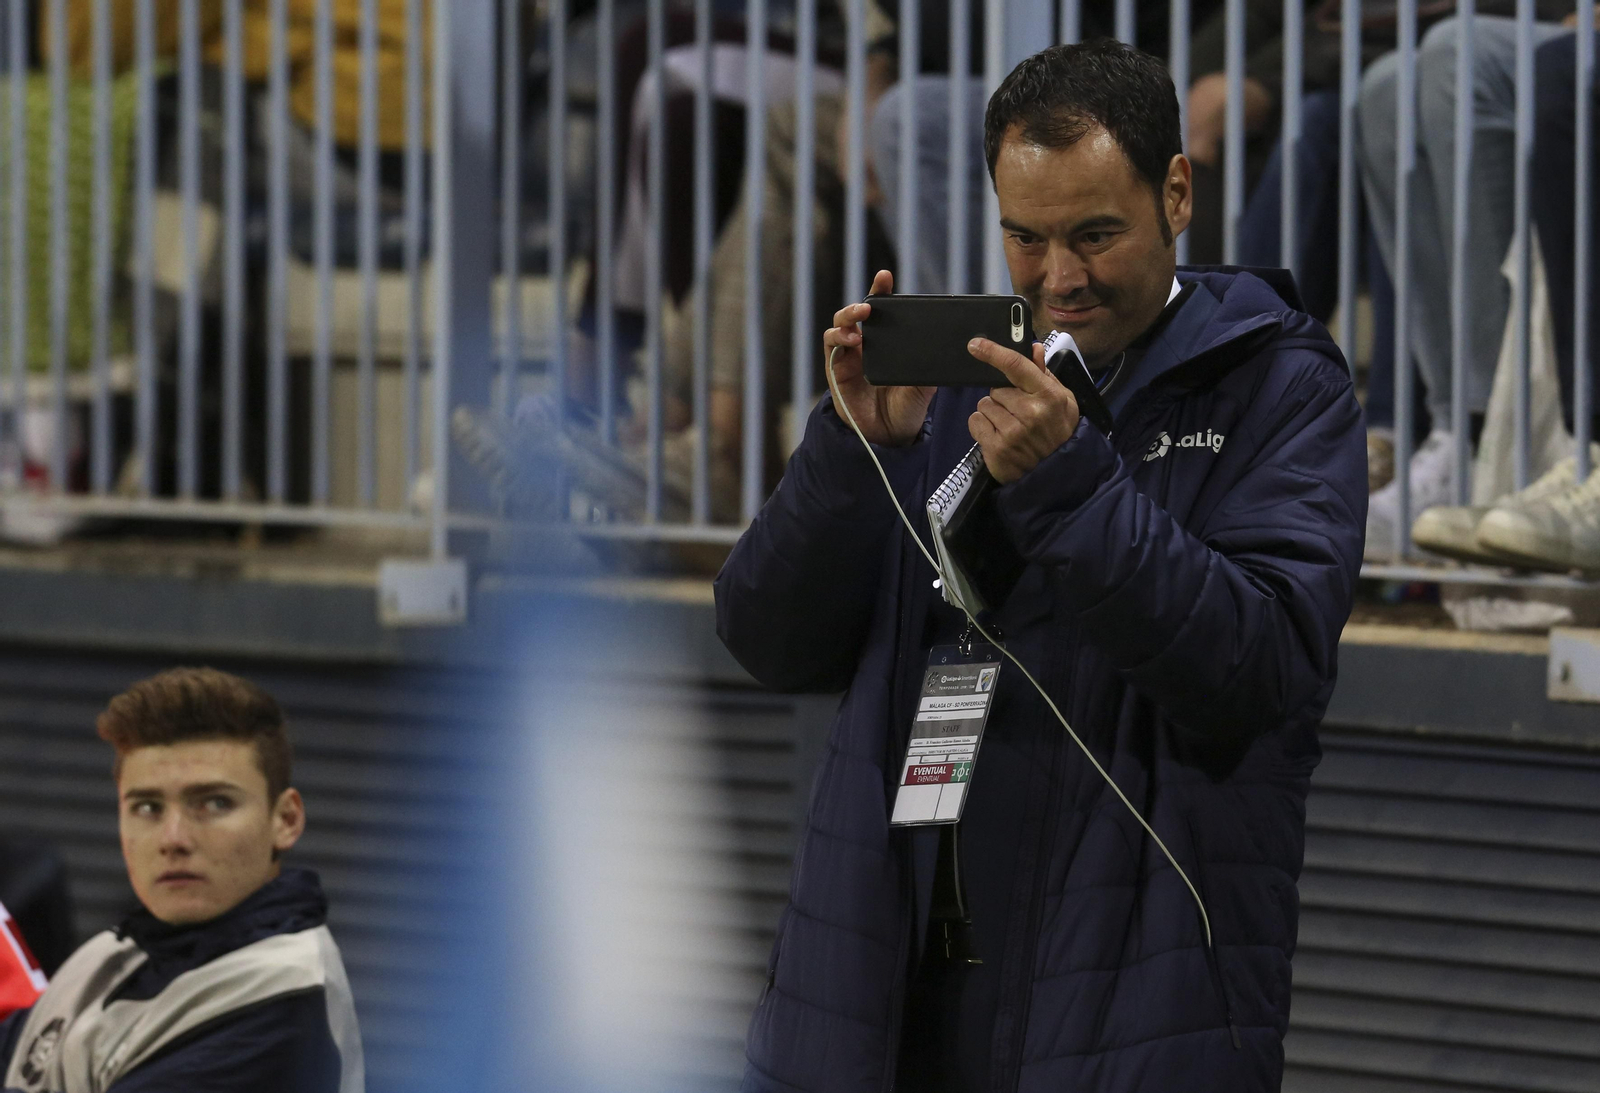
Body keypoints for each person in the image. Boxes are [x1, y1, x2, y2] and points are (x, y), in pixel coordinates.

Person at [717, 38, 1365, 1093]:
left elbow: (1260, 666)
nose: (1059, 279)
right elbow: (765, 639)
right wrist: (851, 452)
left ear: (1177, 191)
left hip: (1123, 1008)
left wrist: (1070, 483)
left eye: (1095, 235)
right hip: (876, 994)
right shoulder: (948, 393)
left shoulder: (1281, 393)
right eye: (1025, 237)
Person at [0, 668, 363, 1093]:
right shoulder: (111, 955)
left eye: (213, 803)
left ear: (286, 819)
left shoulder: (281, 1000)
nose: (174, 839)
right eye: (148, 808)